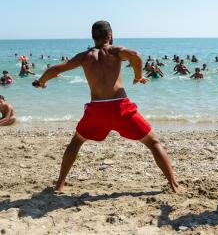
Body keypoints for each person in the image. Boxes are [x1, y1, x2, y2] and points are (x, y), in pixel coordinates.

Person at [33, 21, 181, 193]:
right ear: (110, 35)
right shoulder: (115, 51)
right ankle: (174, 184)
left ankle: (59, 184)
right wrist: (138, 76)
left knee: (76, 142)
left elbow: (58, 68)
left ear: (93, 37)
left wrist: (41, 81)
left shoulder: (84, 56)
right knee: (153, 142)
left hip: (96, 111)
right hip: (120, 109)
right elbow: (136, 55)